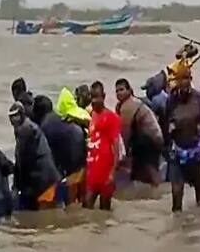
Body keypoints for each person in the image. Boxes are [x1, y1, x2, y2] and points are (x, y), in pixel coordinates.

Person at [167, 68, 200, 212]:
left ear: (191, 80)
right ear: (177, 82)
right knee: (176, 193)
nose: (184, 82)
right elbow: (164, 124)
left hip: (195, 152)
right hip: (177, 152)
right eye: (181, 79)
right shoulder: (171, 100)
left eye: (187, 78)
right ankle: (177, 226)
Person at [33, 95, 87, 203]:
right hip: (81, 161)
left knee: (69, 204)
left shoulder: (45, 126)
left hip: (73, 165)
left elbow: (47, 156)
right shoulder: (57, 117)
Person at [9, 102, 60, 210]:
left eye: (16, 116)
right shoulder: (23, 127)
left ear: (22, 115)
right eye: (11, 117)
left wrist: (17, 186)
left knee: (45, 215)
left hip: (44, 179)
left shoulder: (26, 129)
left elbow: (23, 160)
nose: (13, 120)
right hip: (41, 177)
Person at [115, 78, 164, 186]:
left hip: (150, 139)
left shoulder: (128, 106)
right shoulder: (129, 103)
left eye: (121, 89)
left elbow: (125, 134)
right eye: (117, 91)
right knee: (141, 167)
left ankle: (157, 188)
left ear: (129, 90)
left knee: (148, 165)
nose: (119, 93)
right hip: (150, 137)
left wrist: (121, 157)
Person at [84, 81, 121, 210]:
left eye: (97, 97)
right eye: (92, 97)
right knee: (87, 207)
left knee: (105, 211)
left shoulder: (112, 118)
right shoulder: (91, 115)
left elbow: (117, 148)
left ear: (103, 96)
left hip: (106, 172)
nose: (94, 101)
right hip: (92, 171)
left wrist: (112, 173)